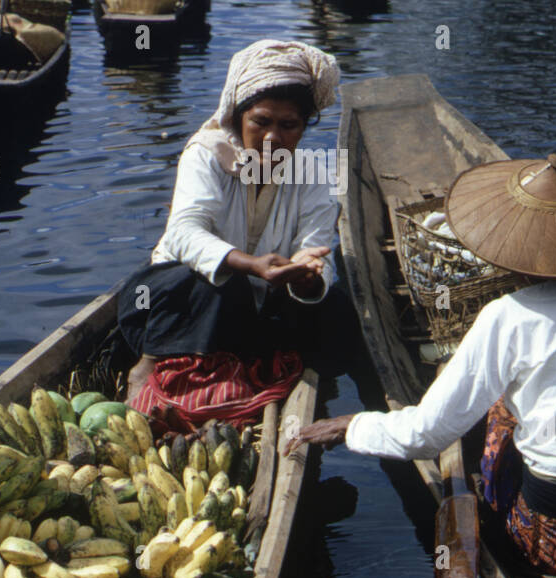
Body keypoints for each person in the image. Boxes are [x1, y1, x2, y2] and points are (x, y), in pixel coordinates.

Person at [288, 153, 556, 578]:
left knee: (500, 412)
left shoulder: (506, 315)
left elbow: (426, 436)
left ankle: (509, 535)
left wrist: (352, 426)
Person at [118, 38, 377, 415]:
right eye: (261, 122)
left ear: (304, 128)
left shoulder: (314, 176)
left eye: (289, 125)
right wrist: (249, 264)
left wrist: (308, 277)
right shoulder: (206, 154)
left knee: (336, 308)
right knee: (215, 282)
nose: (273, 137)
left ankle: (246, 373)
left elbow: (316, 247)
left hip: (252, 312)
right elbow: (184, 233)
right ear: (240, 118)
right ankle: (149, 364)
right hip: (174, 307)